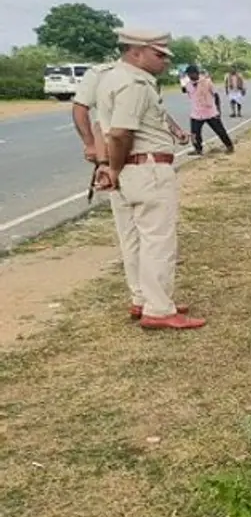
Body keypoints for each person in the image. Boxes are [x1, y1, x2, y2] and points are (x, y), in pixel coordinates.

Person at [91, 28, 204, 330]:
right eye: (159, 55)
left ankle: (143, 299)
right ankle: (159, 309)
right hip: (145, 168)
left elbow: (101, 126)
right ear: (135, 51)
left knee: (133, 240)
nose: (165, 62)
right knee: (157, 240)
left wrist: (109, 167)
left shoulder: (109, 79)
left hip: (126, 170)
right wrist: (113, 168)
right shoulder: (134, 83)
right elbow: (119, 132)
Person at [185, 65, 235, 155]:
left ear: (197, 73)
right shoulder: (188, 85)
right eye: (188, 74)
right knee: (194, 134)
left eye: (191, 74)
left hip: (210, 112)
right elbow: (191, 96)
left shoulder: (207, 82)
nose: (190, 76)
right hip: (196, 113)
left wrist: (218, 109)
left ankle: (229, 146)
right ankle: (198, 149)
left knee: (220, 130)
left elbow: (216, 96)